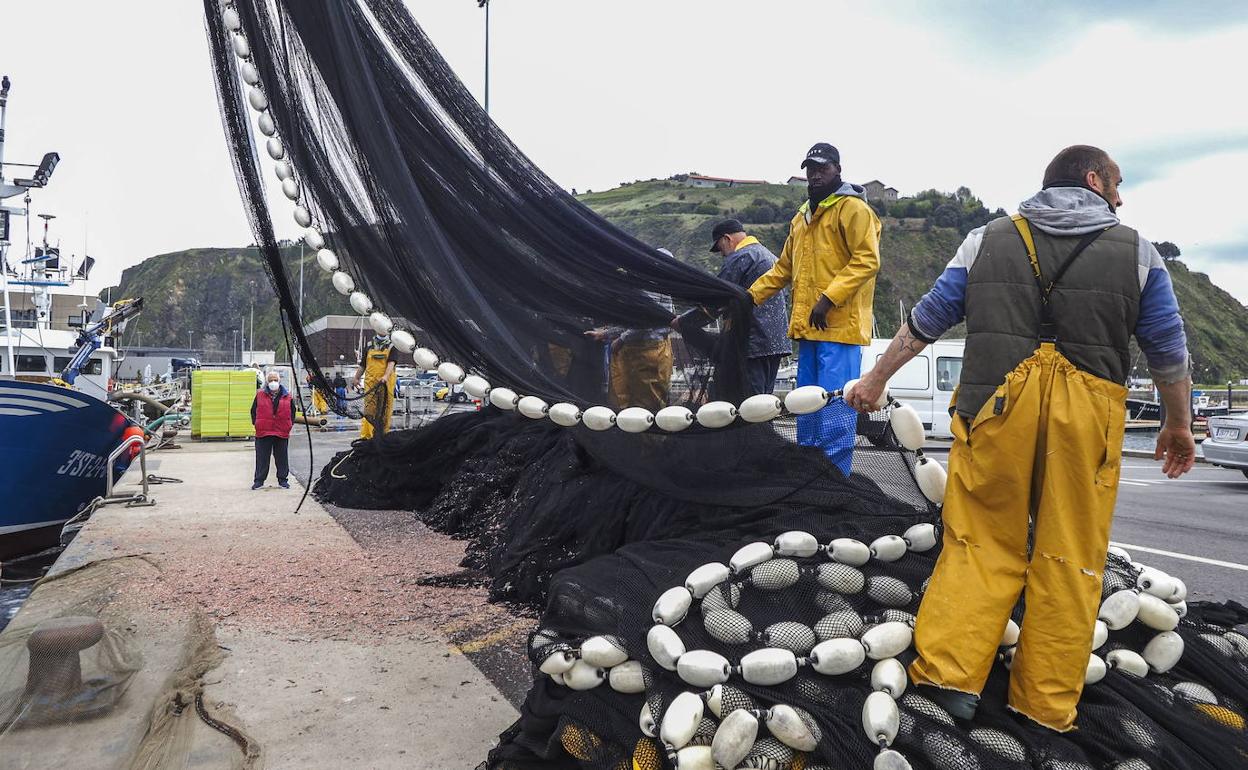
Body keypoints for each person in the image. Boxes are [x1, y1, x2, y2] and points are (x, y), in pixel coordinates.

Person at [847, 145, 1195, 732]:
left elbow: (927, 319)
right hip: (1087, 421)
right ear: (1093, 180)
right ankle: (1043, 703)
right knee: (1072, 556)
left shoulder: (987, 239)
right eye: (1116, 184)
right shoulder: (1137, 251)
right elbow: (1168, 348)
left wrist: (875, 379)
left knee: (979, 542)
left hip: (993, 408)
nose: (1120, 196)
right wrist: (1177, 423)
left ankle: (949, 681)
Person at [749, 144, 881, 473]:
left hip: (840, 331)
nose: (815, 174)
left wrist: (828, 299)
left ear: (837, 169)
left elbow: (867, 261)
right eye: (810, 168)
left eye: (822, 168)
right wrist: (747, 298)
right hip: (809, 330)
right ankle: (807, 478)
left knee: (836, 410)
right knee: (806, 408)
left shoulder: (854, 210)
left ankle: (835, 483)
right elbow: (782, 271)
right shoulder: (801, 218)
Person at [673, 219, 791, 395]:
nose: (722, 255)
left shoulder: (740, 257)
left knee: (751, 404)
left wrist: (684, 321)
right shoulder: (771, 257)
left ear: (726, 239)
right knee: (766, 402)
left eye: (720, 249)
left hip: (752, 343)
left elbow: (717, 300)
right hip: (777, 344)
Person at [588, 251, 676, 412]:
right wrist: (606, 334)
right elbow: (634, 321)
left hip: (648, 351)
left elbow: (645, 321)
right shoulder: (656, 284)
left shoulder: (651, 286)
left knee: (647, 404)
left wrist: (621, 339)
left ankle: (650, 437)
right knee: (629, 399)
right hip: (642, 350)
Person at [251, 370, 296, 489]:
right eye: (270, 380)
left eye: (275, 380)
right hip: (263, 431)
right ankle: (259, 481)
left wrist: (289, 425)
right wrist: (256, 424)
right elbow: (253, 411)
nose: (273, 382)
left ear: (279, 381)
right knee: (262, 458)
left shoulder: (288, 396)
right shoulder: (260, 395)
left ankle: (283, 480)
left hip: (281, 431)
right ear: (267, 382)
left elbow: (292, 413)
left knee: (282, 457)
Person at [352, 334, 398, 438]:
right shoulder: (369, 345)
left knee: (385, 411)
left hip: (385, 385)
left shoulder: (392, 346)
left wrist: (385, 376)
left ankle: (382, 436)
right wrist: (356, 377)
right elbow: (363, 364)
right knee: (369, 411)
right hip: (371, 384)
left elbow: (391, 363)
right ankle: (367, 436)